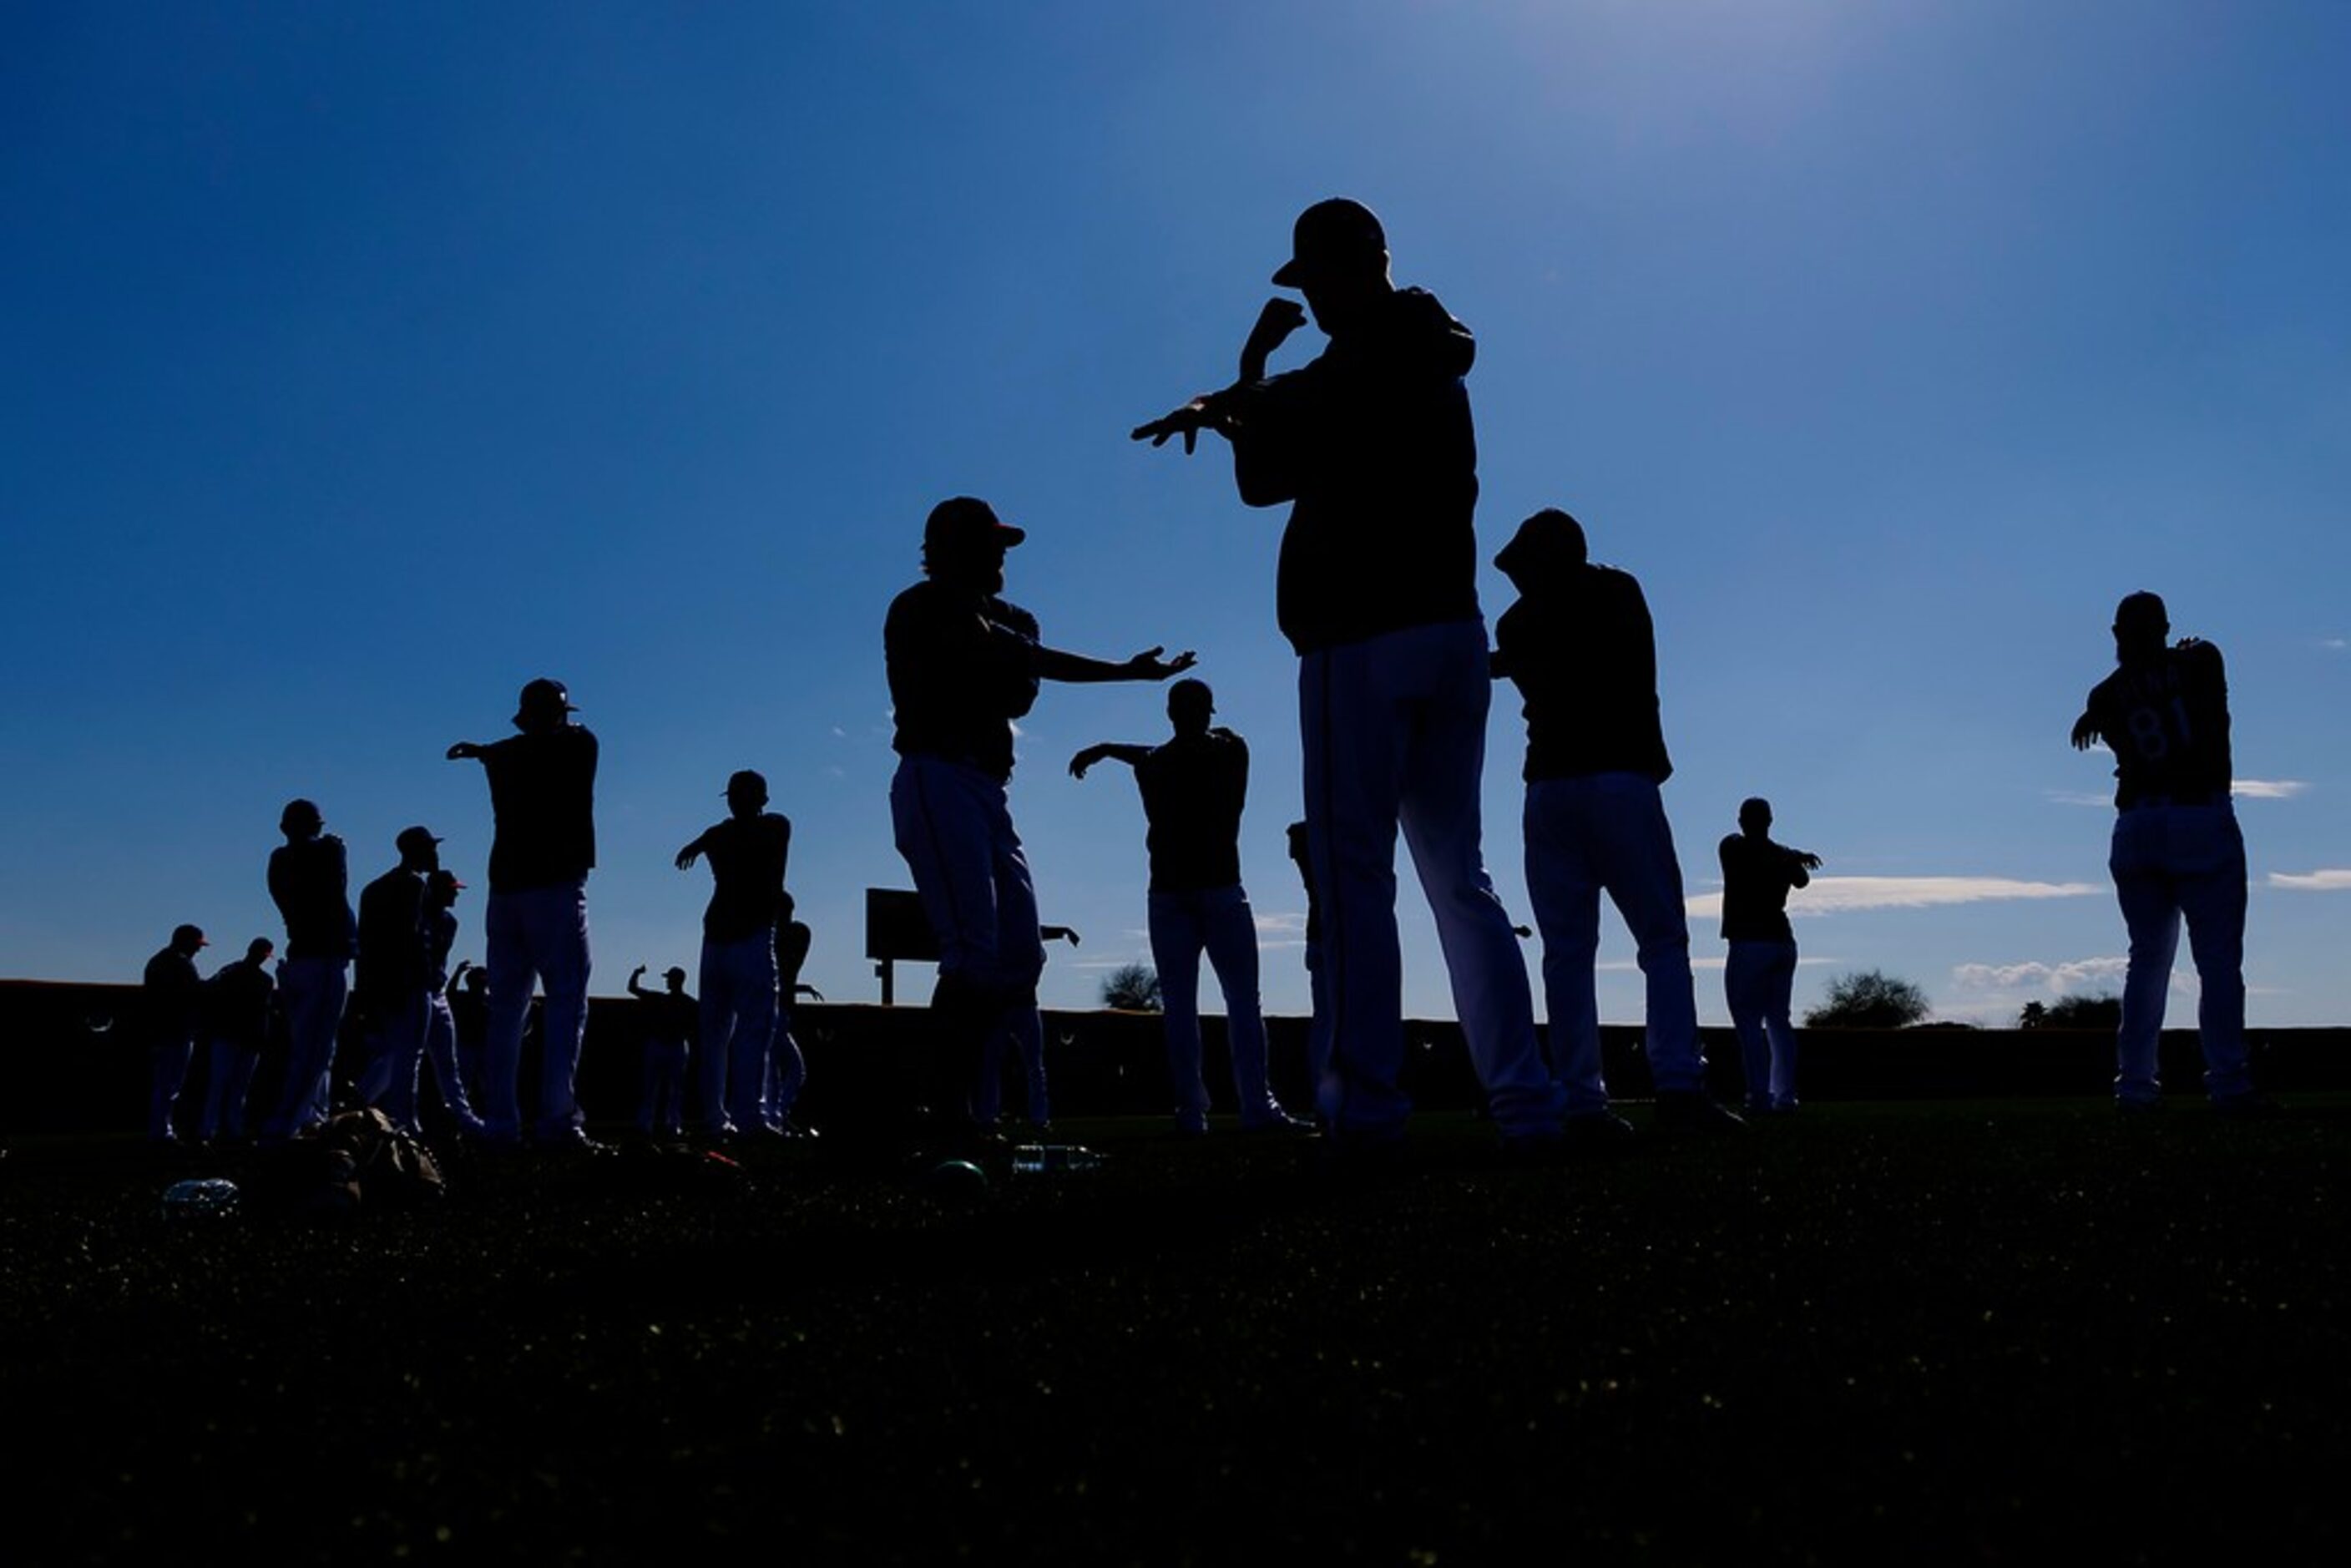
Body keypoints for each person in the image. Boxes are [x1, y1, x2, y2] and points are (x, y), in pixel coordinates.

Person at [1133, 198, 1557, 1148]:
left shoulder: (1400, 333)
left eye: (1316, 277)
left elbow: (1391, 359)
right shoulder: (1355, 362)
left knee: (1356, 871)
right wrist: (1241, 391)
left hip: (1359, 640)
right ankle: (1526, 1104)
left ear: (1358, 265)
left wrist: (1241, 385)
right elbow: (1258, 481)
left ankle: (1367, 1109)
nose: (1310, 296)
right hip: (1440, 636)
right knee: (1455, 878)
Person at [885, 495, 1195, 1146]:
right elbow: (1011, 667)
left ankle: (962, 1109)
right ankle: (948, 1115)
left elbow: (1020, 685)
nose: (1003, 555)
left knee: (1020, 952)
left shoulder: (1006, 617)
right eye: (989, 543)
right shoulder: (920, 604)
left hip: (989, 791)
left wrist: (1120, 673)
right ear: (951, 548)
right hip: (935, 777)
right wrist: (1042, 664)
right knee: (971, 951)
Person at [1491, 508, 1742, 1136]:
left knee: (1567, 954)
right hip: (1618, 783)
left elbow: (1519, 619)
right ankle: (1679, 1088)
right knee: (1661, 940)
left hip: (1548, 790)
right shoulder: (1615, 590)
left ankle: (1581, 1101)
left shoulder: (1518, 621)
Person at [1070, 680, 1309, 1134]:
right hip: (1217, 889)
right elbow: (1192, 743)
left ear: (1170, 714)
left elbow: (1150, 753)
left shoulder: (1157, 763)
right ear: (1208, 711)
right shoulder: (1229, 750)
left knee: (1181, 1005)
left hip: (1170, 893)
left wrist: (1105, 748)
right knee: (1241, 1001)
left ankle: (1191, 1112)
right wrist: (1109, 749)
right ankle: (1255, 1106)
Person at [2070, 592, 2273, 1115]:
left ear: (2117, 634)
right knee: (2219, 962)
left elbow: (2103, 712)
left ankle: (2135, 1086)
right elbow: (2195, 660)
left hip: (2136, 821)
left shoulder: (2105, 693)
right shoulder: (2200, 660)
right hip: (2198, 813)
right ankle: (2228, 1082)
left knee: (2147, 960)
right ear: (2163, 628)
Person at [448, 677, 599, 1151]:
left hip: (505, 891)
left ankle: (500, 1123)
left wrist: (483, 750)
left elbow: (513, 748)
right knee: (565, 1003)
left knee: (506, 1012)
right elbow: (567, 736)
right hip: (553, 889)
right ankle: (557, 1119)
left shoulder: (504, 758)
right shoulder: (577, 745)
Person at [674, 770, 791, 1138]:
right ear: (763, 799)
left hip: (716, 938)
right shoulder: (774, 827)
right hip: (751, 936)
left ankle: (714, 1118)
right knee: (753, 1031)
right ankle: (750, 1117)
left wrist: (701, 841)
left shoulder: (719, 834)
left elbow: (702, 842)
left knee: (714, 1036)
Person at [260, 798, 356, 1140]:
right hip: (324, 959)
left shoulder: (278, 859)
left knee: (314, 1046)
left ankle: (313, 1115)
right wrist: (336, 848)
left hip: (301, 958)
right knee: (314, 1050)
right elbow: (336, 886)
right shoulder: (326, 853)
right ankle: (287, 1122)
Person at [1719, 799, 1820, 1116]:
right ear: (1770, 820)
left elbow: (1747, 848)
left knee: (1748, 1022)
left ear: (1741, 820)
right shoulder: (1781, 856)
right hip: (1782, 942)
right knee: (1779, 1021)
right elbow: (1802, 880)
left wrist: (1791, 855)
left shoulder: (1734, 848)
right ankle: (1785, 1097)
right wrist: (1793, 855)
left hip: (1750, 943)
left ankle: (1760, 1097)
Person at [355, 827, 442, 1134]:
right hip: (409, 980)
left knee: (392, 1051)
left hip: (381, 981)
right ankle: (405, 1119)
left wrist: (366, 987)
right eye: (431, 849)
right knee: (410, 1054)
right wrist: (423, 976)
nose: (435, 854)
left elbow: (364, 943)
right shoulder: (414, 886)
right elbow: (414, 937)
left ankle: (366, 1105)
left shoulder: (373, 889)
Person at [975, 923, 1076, 1132]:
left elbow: (1033, 929)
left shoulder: (1013, 932)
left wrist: (1061, 932)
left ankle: (996, 1116)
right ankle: (996, 1116)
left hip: (1016, 1004)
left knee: (1017, 1064)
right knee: (1015, 1065)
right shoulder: (1005, 931)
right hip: (1009, 1004)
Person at [419, 869, 489, 1140]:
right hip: (419, 991)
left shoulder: (448, 921)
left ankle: (462, 1115)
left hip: (434, 991)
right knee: (405, 1058)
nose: (456, 894)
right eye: (451, 889)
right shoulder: (422, 917)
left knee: (448, 1066)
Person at [197, 938, 276, 1143]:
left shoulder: (230, 972)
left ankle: (212, 1129)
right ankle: (227, 1129)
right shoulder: (264, 980)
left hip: (232, 1036)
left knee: (224, 1085)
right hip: (243, 1038)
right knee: (234, 1087)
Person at [144, 923, 208, 1144]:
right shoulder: (181, 963)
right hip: (177, 1031)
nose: (198, 950)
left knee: (163, 1084)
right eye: (197, 945)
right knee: (170, 1085)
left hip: (160, 1030)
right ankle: (162, 1131)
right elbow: (195, 993)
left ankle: (160, 1129)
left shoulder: (156, 961)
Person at [763, 914, 822, 1136]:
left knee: (785, 1070)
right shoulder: (774, 945)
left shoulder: (779, 943)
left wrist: (803, 988)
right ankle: (776, 1115)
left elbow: (786, 982)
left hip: (781, 1015)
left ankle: (777, 1115)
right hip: (777, 1016)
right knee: (787, 1070)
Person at [626, 965, 695, 1139]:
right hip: (670, 1046)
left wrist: (637, 973)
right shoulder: (688, 1003)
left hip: (666, 1046)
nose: (667, 982)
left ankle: (654, 1125)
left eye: (669, 979)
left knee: (658, 1089)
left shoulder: (661, 999)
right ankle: (667, 1126)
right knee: (664, 1090)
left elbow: (633, 988)